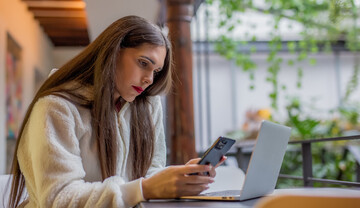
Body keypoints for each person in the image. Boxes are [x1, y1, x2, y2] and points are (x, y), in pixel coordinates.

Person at [8, 15, 224, 208]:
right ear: (113, 52)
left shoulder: (147, 106)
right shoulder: (57, 108)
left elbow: (147, 175)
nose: (149, 79)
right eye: (143, 63)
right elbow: (59, 198)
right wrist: (144, 189)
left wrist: (178, 178)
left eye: (156, 71)